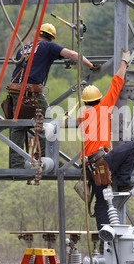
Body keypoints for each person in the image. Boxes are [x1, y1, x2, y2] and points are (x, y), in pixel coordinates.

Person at [8, 23, 100, 169]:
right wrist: (90, 65)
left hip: (15, 91)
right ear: (51, 38)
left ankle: (16, 164)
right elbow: (73, 55)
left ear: (38, 34)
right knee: (48, 124)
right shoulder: (48, 46)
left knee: (18, 127)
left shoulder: (23, 48)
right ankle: (44, 158)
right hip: (32, 92)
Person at [79, 49, 134, 233]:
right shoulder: (102, 108)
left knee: (102, 202)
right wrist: (124, 62)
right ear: (98, 99)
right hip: (101, 162)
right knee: (131, 146)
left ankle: (105, 238)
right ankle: (124, 181)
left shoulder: (82, 115)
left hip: (88, 167)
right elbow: (117, 82)